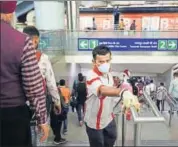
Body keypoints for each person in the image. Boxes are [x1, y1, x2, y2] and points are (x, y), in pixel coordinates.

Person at [0, 1, 49, 147]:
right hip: (12, 116)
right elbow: (33, 87)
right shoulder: (21, 41)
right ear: (10, 14)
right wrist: (42, 119)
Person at [84, 45, 140, 147]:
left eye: (107, 60)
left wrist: (124, 100)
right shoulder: (91, 75)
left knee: (112, 139)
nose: (105, 64)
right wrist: (122, 92)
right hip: (95, 122)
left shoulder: (109, 74)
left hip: (109, 117)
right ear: (94, 62)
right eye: (100, 61)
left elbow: (111, 91)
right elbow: (102, 90)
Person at [23, 26, 61, 146]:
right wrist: (57, 101)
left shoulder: (15, 55)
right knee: (41, 136)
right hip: (39, 105)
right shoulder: (43, 58)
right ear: (36, 40)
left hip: (21, 106)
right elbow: (50, 83)